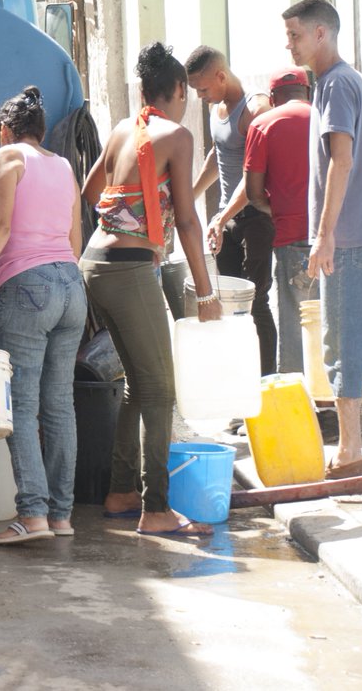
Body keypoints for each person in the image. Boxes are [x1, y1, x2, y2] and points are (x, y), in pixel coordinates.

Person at [80, 42, 221, 538]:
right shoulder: (177, 136)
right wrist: (206, 293)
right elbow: (186, 219)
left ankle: (122, 492)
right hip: (128, 269)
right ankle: (156, 508)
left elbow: (91, 191)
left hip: (95, 263)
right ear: (179, 89)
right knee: (161, 389)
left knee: (139, 386)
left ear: (143, 89)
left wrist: (130, 212)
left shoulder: (123, 129)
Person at [283, 0, 362, 477]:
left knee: (341, 343)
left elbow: (342, 160)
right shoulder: (345, 81)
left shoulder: (335, 84)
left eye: (295, 35)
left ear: (321, 34)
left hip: (351, 237)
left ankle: (351, 450)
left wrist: (324, 235)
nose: (290, 44)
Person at [0, 86, 86, 545]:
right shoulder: (64, 166)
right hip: (71, 286)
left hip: (27, 286)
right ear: (41, 131)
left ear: (6, 130)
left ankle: (32, 515)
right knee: (60, 406)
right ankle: (61, 516)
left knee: (25, 406)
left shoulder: (8, 157)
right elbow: (74, 241)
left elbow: (0, 226)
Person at [187, 46, 276, 374]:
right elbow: (218, 155)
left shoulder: (256, 108)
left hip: (255, 220)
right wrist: (191, 194)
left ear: (221, 76)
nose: (200, 96)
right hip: (226, 221)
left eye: (203, 89)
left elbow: (257, 172)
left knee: (256, 305)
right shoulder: (217, 108)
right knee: (229, 307)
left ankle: (266, 387)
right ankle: (241, 386)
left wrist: (221, 217)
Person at [244, 68, 317, 373]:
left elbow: (253, 192)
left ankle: (301, 409)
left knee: (294, 325)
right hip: (338, 238)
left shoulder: (262, 124)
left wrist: (277, 210)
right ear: (307, 92)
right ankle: (336, 408)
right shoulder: (325, 116)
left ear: (273, 98)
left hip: (291, 239)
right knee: (334, 325)